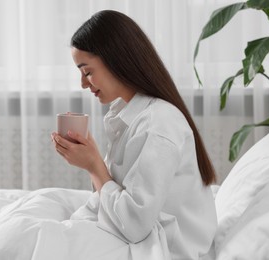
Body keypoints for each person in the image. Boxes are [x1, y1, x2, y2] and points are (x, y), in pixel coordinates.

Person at [52, 10, 217, 259]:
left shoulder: (158, 123)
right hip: (141, 234)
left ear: (116, 60)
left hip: (165, 247)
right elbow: (121, 195)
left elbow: (134, 225)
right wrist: (91, 158)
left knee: (30, 239)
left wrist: (94, 166)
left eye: (87, 71)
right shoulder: (130, 113)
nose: (83, 84)